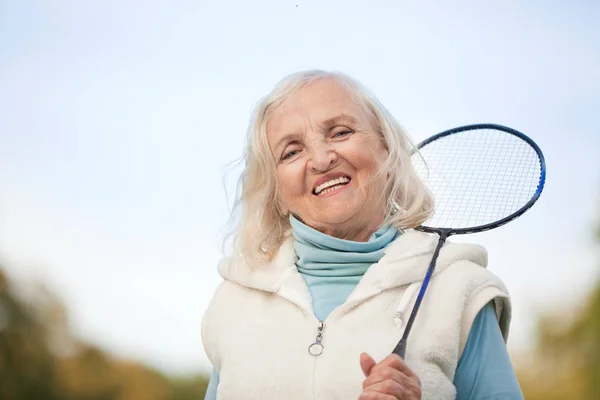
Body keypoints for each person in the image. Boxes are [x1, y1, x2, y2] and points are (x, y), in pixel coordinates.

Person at [201, 70, 523, 399]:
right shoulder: (233, 302)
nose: (322, 159)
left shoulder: (459, 291)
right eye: (291, 152)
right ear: (276, 193)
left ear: (386, 149)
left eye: (340, 133)